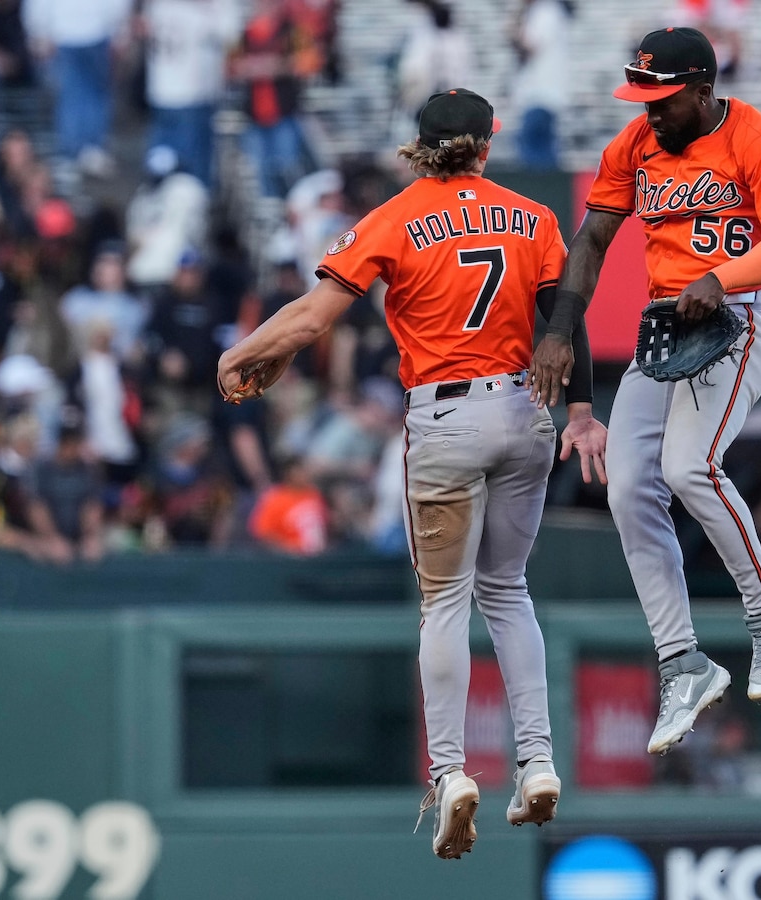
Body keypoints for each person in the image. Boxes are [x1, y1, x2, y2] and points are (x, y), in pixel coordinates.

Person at [215, 88, 606, 860]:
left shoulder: (395, 217)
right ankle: (537, 762)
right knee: (509, 591)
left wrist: (244, 351)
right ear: (488, 145)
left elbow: (312, 319)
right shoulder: (533, 215)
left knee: (445, 602)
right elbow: (566, 320)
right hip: (528, 410)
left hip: (447, 414)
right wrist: (585, 413)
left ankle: (452, 769)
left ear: (419, 148)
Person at [528, 26, 761, 756]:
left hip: (736, 321)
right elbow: (591, 241)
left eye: (664, 99)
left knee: (692, 467)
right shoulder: (634, 146)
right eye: (643, 98)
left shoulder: (754, 137)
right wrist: (561, 327)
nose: (651, 112)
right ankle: (683, 661)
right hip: (664, 331)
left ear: (701, 89)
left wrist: (725, 278)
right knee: (627, 488)